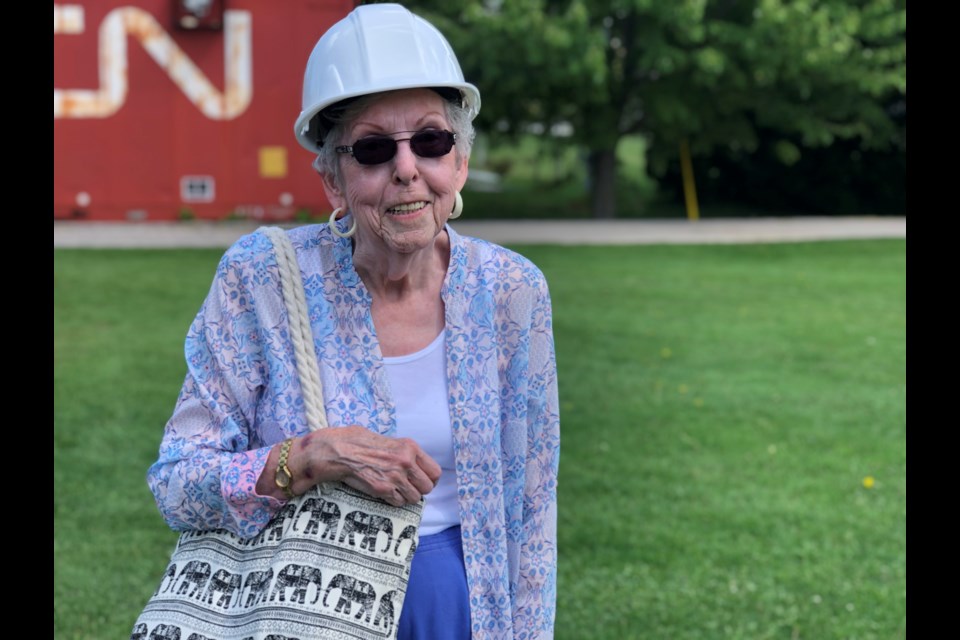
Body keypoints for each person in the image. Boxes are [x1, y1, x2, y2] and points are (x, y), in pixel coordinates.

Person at [146, 3, 559, 639]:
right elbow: (176, 483)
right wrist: (309, 456)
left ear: (460, 163)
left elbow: (533, 512)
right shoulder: (261, 280)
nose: (405, 167)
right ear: (335, 180)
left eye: (430, 140)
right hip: (305, 608)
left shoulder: (513, 291)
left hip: (462, 610)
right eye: (371, 149)